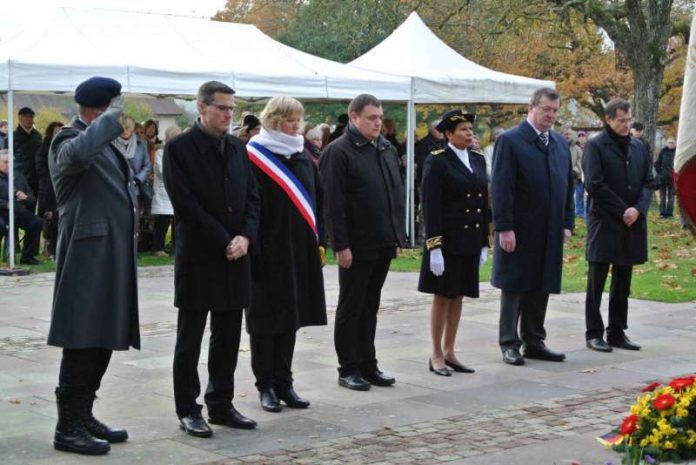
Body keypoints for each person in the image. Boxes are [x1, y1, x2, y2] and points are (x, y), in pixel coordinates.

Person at [47, 76, 139, 455]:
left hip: (109, 252)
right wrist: (108, 121)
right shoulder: (66, 138)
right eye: (113, 108)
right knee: (82, 337)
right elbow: (75, 159)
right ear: (98, 109)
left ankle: (83, 414)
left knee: (102, 335)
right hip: (87, 253)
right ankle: (67, 426)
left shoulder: (99, 140)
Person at [164, 80, 260, 438]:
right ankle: (188, 408)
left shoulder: (238, 148)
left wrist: (246, 237)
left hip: (236, 255)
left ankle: (221, 402)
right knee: (190, 337)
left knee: (228, 334)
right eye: (222, 107)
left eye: (232, 108)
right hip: (201, 256)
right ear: (202, 108)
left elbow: (252, 197)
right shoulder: (179, 149)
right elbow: (185, 204)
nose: (228, 114)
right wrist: (225, 239)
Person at [246, 96, 327, 412]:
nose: (297, 126)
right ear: (276, 120)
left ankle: (285, 382)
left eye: (298, 119)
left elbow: (316, 197)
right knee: (265, 320)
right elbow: (250, 203)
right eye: (292, 120)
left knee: (290, 318)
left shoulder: (301, 154)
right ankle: (264, 385)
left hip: (298, 249)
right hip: (266, 250)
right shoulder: (255, 154)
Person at [320, 94, 406, 391]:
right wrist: (340, 244)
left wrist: (397, 235)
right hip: (356, 244)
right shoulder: (339, 151)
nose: (378, 122)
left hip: (382, 240)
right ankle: (348, 367)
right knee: (352, 306)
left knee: (371, 305)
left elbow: (394, 195)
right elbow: (333, 204)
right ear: (354, 117)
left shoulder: (384, 148)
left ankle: (368, 363)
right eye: (372, 118)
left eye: (380, 117)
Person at [491, 87, 574, 366]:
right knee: (515, 285)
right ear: (532, 107)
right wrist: (504, 227)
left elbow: (567, 186)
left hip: (550, 228)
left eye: (554, 110)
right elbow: (501, 187)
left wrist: (567, 222)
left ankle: (534, 339)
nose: (550, 115)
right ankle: (509, 342)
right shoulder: (512, 141)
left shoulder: (559, 143)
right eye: (546, 109)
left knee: (542, 283)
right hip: (520, 228)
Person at [418, 110, 490, 376]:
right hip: (447, 240)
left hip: (469, 239)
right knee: (443, 295)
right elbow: (431, 204)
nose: (469, 133)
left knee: (459, 294)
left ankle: (450, 350)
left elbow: (484, 202)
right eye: (463, 129)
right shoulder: (437, 161)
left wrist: (484, 241)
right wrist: (434, 246)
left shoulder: (478, 159)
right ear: (448, 134)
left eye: (471, 128)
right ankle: (436, 353)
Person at [583, 98, 654, 353]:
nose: (626, 125)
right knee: (597, 280)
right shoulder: (595, 146)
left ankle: (616, 330)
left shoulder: (638, 146)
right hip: (606, 221)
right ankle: (593, 332)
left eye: (628, 120)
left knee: (623, 280)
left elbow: (648, 181)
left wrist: (638, 209)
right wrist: (622, 209)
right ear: (609, 120)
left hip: (631, 222)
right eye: (620, 121)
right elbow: (595, 183)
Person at [0, 150, 43, 265]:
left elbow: (32, 198)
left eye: (10, 162)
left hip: (18, 211)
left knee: (37, 222)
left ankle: (28, 256)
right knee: (1, 225)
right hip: (2, 212)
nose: (9, 165)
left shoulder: (18, 176)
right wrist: (5, 204)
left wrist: (25, 197)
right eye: (5, 162)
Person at [150, 125, 181, 256]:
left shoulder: (179, 152)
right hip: (163, 192)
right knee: (163, 221)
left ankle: (176, 246)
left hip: (175, 191)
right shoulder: (160, 153)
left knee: (176, 221)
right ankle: (158, 247)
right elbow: (162, 171)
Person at [35, 121, 64, 257]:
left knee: (59, 216)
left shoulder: (64, 146)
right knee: (48, 216)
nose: (58, 134)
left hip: (61, 186)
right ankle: (48, 247)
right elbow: (40, 166)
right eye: (56, 132)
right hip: (47, 186)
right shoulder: (44, 147)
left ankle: (58, 247)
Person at [113, 117, 152, 216]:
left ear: (132, 129)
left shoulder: (141, 144)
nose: (125, 131)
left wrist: (137, 180)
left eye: (127, 128)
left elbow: (147, 166)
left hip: (136, 188)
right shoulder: (111, 143)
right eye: (122, 128)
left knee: (134, 218)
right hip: (116, 187)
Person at [13, 107, 43, 206]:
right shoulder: (13, 136)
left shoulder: (37, 136)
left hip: (35, 175)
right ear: (20, 118)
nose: (29, 119)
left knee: (33, 202)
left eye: (31, 117)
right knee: (20, 205)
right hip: (20, 176)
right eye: (26, 117)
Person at [562, 125, 585, 218]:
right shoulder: (557, 145)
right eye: (565, 134)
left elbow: (581, 161)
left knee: (571, 198)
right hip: (559, 176)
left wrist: (575, 171)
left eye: (569, 134)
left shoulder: (577, 148)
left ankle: (571, 219)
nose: (567, 136)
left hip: (572, 176)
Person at [655, 137, 676, 218]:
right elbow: (657, 163)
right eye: (669, 142)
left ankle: (670, 213)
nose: (671, 144)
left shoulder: (677, 152)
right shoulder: (663, 151)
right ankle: (662, 213)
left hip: (673, 179)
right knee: (662, 197)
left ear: (675, 143)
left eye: (672, 143)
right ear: (667, 143)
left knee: (671, 197)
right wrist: (660, 173)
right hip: (663, 179)